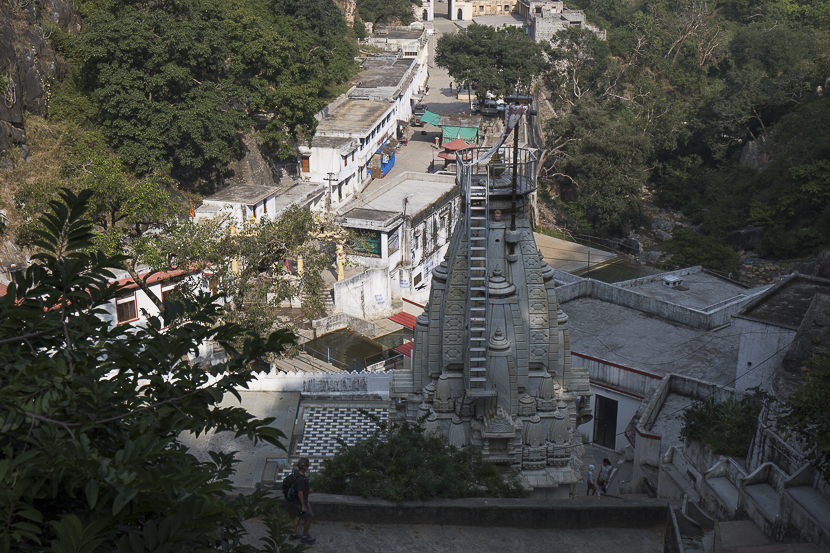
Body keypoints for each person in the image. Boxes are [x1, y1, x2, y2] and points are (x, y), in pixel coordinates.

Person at [289, 458, 315, 544]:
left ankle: (294, 533)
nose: (308, 466)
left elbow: (300, 488)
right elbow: (300, 493)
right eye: (307, 465)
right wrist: (304, 506)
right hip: (301, 501)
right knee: (309, 517)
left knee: (298, 515)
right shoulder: (300, 479)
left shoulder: (297, 474)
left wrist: (307, 489)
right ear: (303, 466)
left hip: (296, 501)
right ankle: (305, 536)